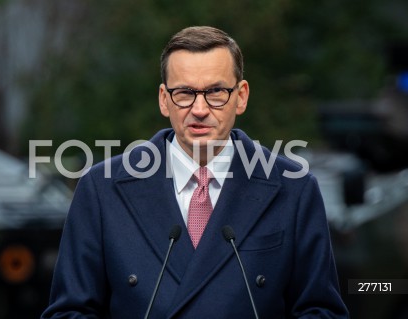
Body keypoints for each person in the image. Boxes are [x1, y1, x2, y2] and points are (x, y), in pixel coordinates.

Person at [41, 26, 349, 318]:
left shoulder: (294, 188)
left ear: (241, 96)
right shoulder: (101, 188)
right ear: (164, 100)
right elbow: (69, 312)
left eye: (216, 92)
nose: (199, 109)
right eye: (185, 93)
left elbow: (320, 310)